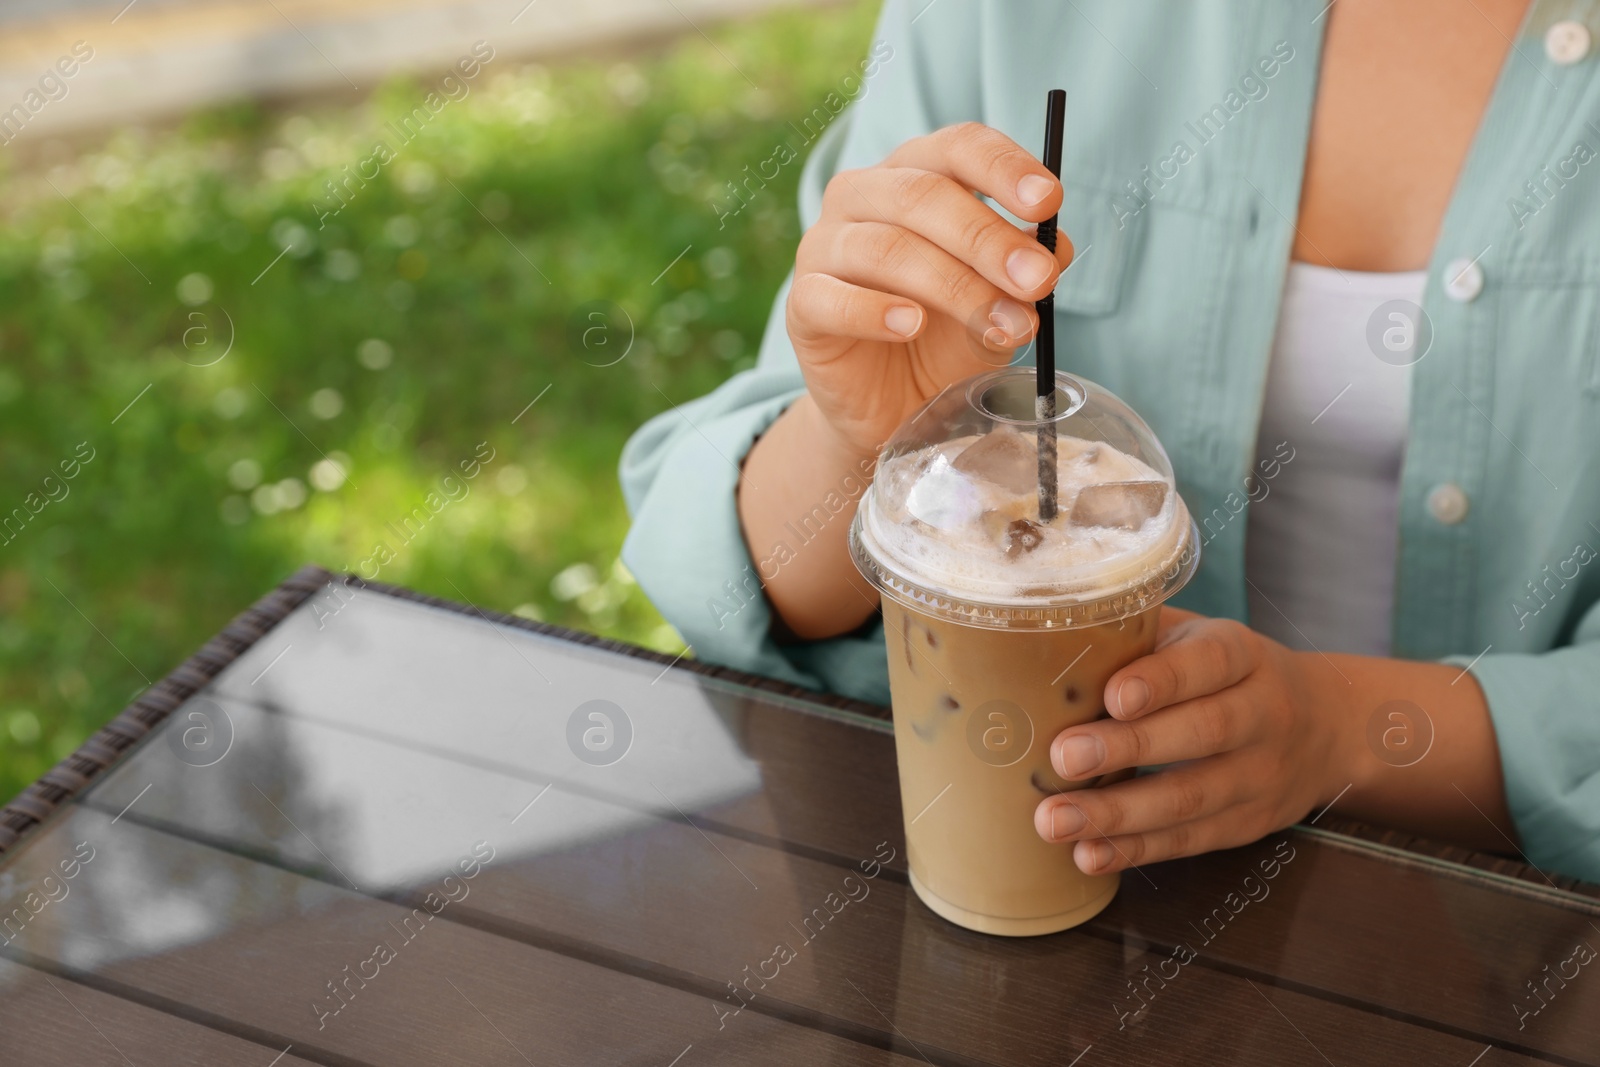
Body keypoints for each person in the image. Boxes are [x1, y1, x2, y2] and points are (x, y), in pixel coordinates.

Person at [621, 0, 1600, 883]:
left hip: (1514, 933)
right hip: (1021, 871)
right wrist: (864, 443)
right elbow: (748, 587)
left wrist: (1342, 733)